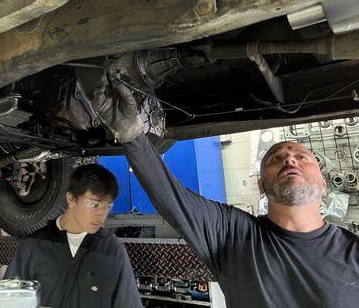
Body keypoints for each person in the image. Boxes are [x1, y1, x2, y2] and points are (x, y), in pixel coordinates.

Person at [92, 75, 359, 308]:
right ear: (261, 185)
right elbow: (173, 198)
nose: (290, 160)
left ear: (324, 184)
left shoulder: (353, 253)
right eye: (275, 159)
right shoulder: (235, 235)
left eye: (302, 157)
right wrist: (131, 136)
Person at [4, 163, 142, 308]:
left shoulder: (112, 250)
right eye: (94, 204)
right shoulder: (33, 245)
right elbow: (9, 301)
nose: (101, 216)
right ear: (71, 199)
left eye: (107, 206)